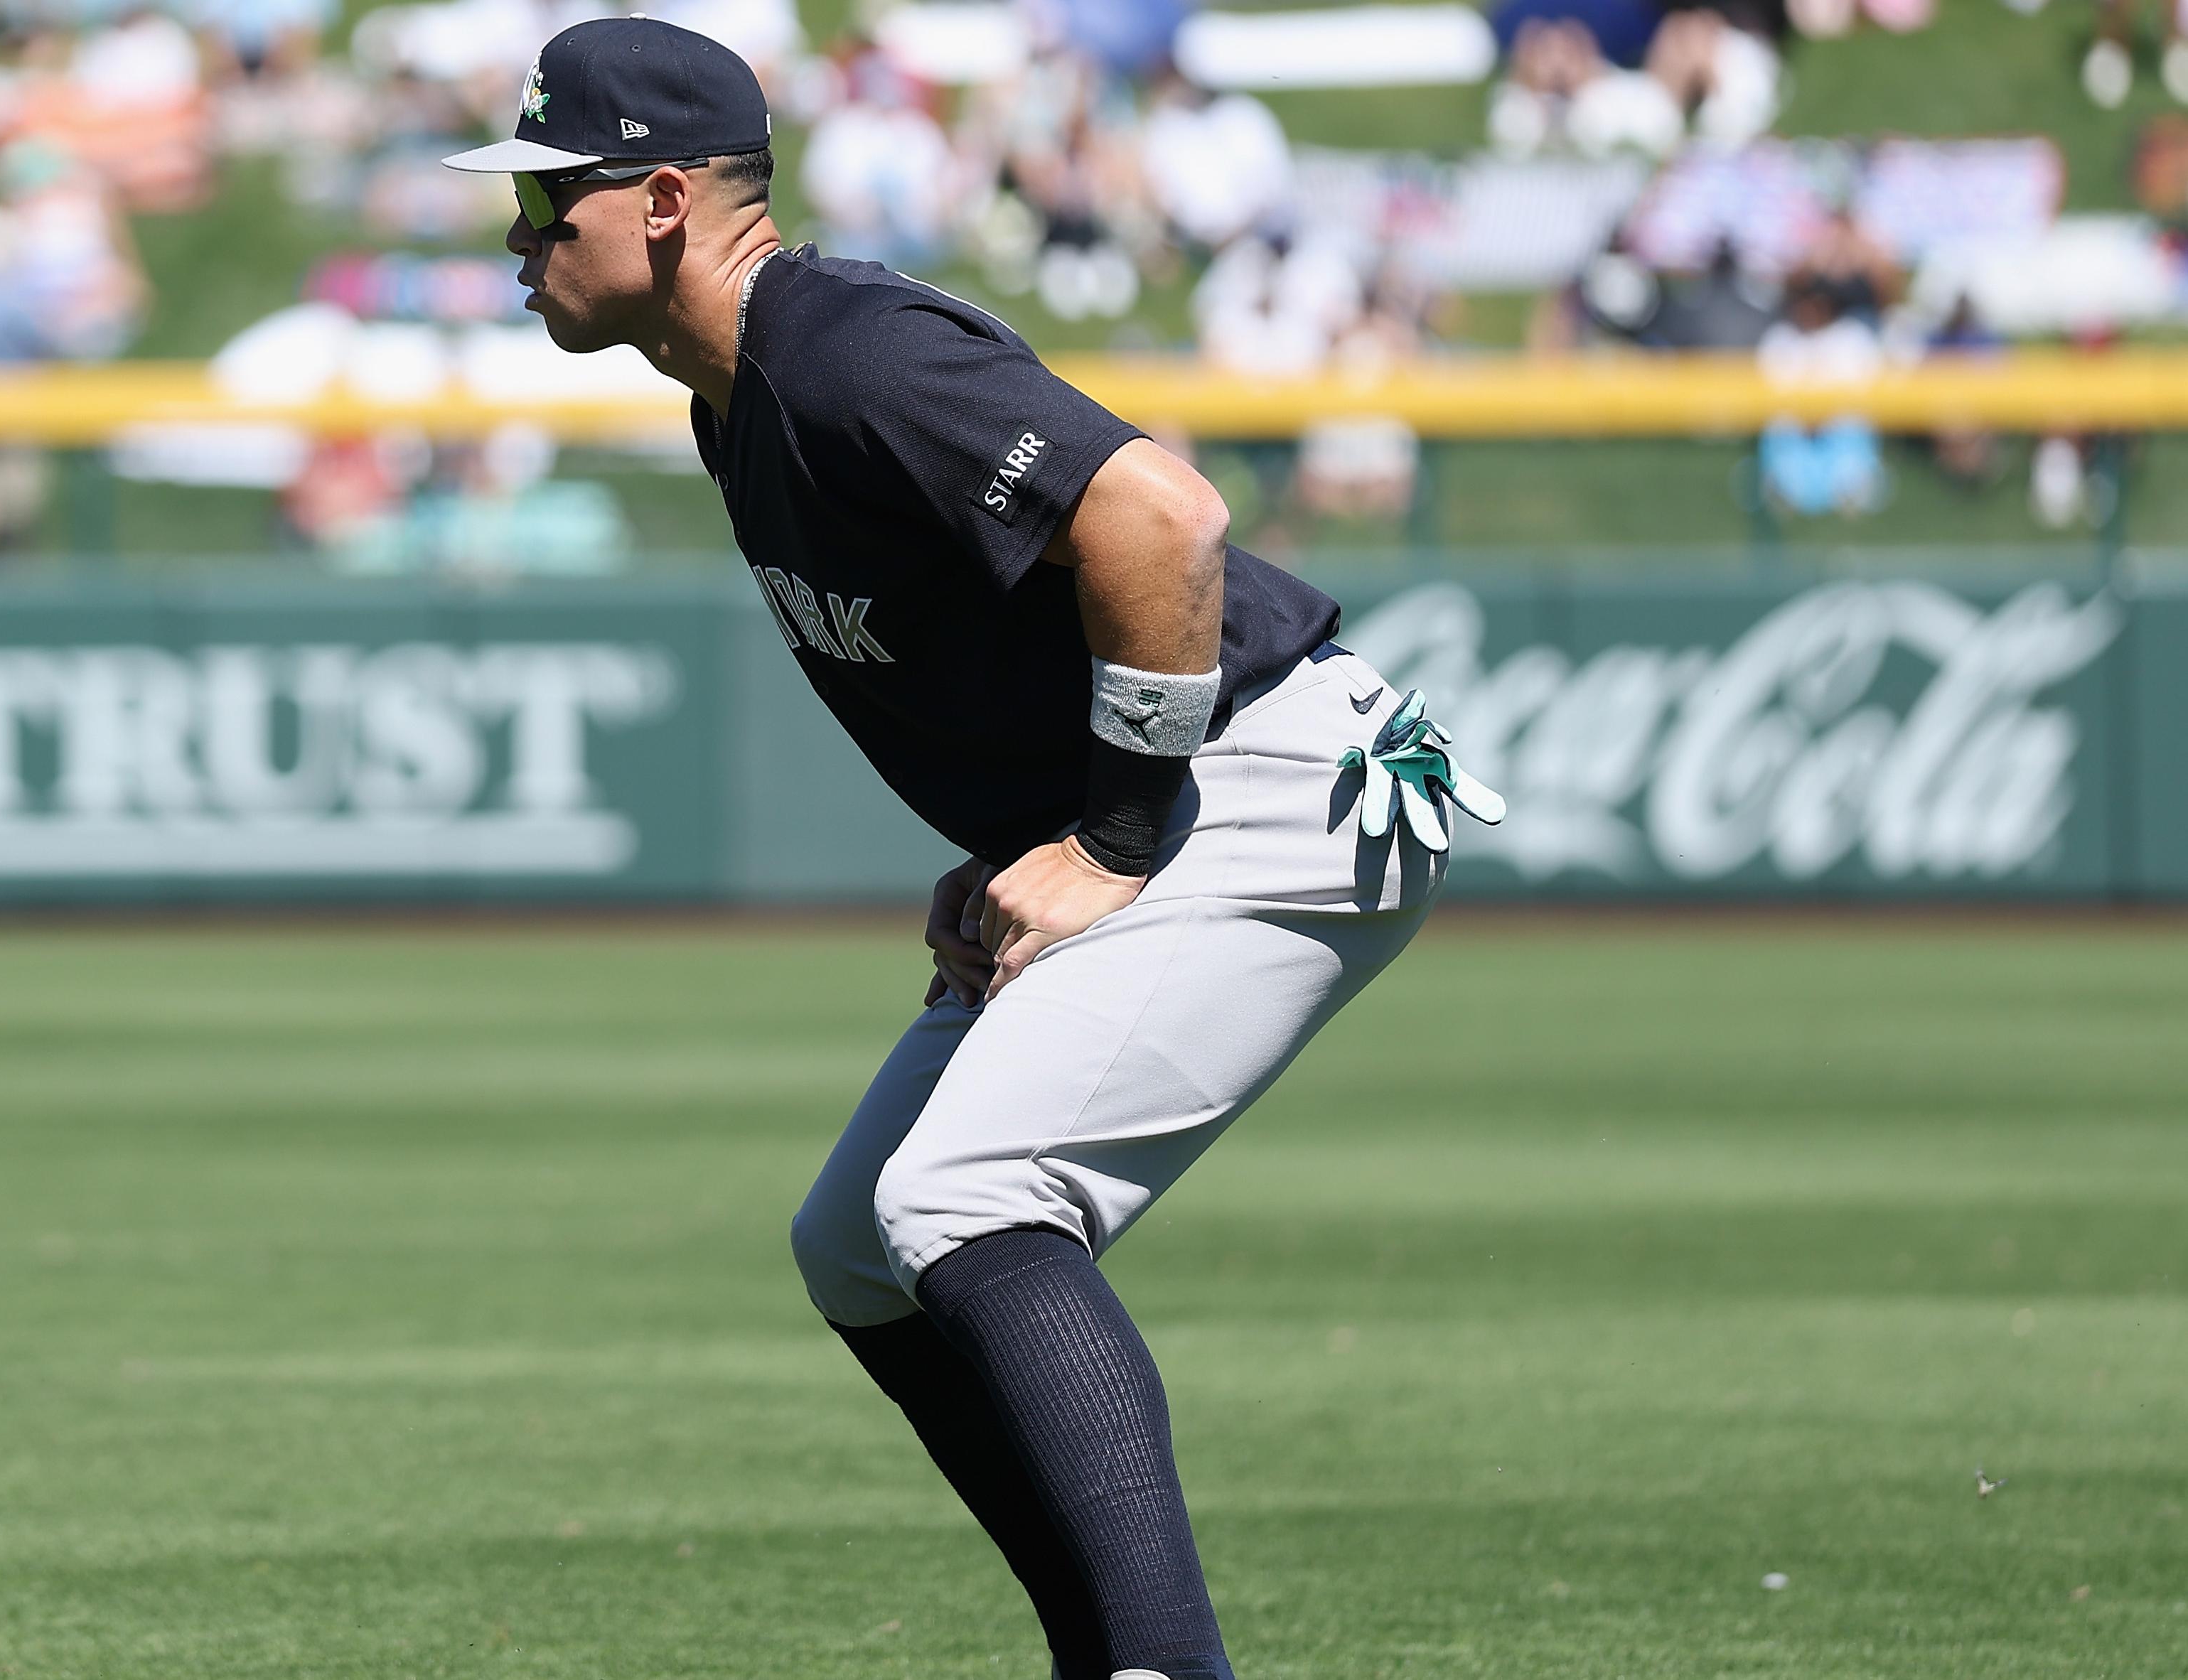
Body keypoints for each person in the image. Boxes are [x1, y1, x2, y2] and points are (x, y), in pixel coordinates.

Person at [442, 21, 1500, 1680]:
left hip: (1282, 778)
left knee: (973, 1193)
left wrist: (1112, 832)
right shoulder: (739, 396)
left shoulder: (841, 347)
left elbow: (1163, 520)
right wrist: (1035, 831)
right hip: (1190, 782)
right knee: (858, 1245)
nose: (518, 238)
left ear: (658, 200)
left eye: (544, 203)